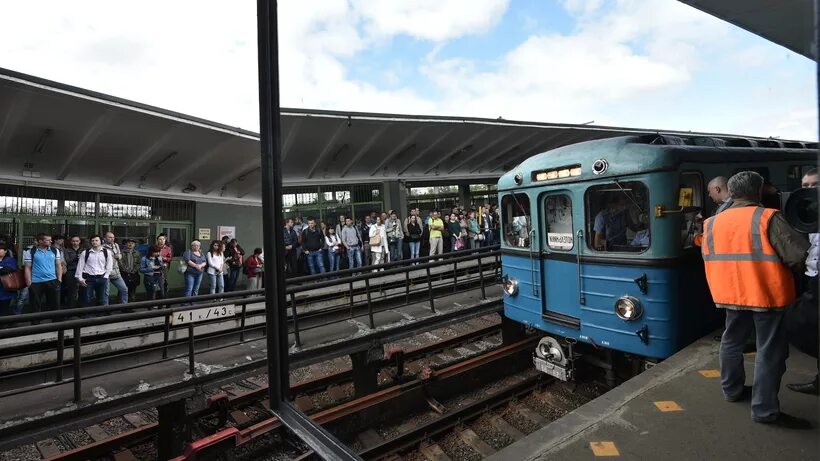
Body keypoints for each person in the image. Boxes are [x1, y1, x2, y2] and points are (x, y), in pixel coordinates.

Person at [702, 171, 809, 428]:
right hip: (766, 294)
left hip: (729, 294)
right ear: (758, 192)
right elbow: (797, 255)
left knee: (731, 342)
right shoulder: (767, 217)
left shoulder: (713, 222)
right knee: (769, 351)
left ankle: (732, 390)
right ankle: (764, 410)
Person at [787, 168, 819, 395]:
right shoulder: (808, 213)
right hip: (813, 278)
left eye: (815, 184)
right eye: (805, 186)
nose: (809, 190)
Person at [24, 233, 62, 314]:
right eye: (48, 240)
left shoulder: (55, 250)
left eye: (50, 240)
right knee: (35, 306)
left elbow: (58, 265)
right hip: (36, 282)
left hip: (52, 281)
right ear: (40, 241)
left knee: (55, 305)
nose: (50, 241)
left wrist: (59, 280)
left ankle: (56, 324)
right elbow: (27, 267)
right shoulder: (30, 252)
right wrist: (29, 283)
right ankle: (35, 324)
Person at [75, 235, 113, 307]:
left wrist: (105, 277)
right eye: (92, 241)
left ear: (101, 241)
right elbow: (80, 267)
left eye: (96, 240)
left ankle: (101, 315)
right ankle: (87, 316)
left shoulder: (107, 252)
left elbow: (109, 266)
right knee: (87, 299)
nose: (94, 242)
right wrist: (80, 278)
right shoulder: (85, 253)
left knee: (102, 299)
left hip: (102, 277)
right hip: (88, 278)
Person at [103, 232, 129, 304]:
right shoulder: (102, 247)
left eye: (113, 237)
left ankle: (124, 307)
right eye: (110, 237)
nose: (112, 239)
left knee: (124, 289)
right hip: (106, 273)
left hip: (116, 272)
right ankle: (105, 309)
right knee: (106, 292)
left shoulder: (116, 245)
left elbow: (119, 254)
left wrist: (119, 256)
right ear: (105, 238)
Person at [62, 235, 83, 308]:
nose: (75, 243)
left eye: (77, 241)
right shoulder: (67, 250)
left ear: (79, 241)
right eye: (73, 241)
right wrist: (76, 257)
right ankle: (71, 309)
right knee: (71, 291)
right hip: (71, 271)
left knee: (82, 291)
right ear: (71, 242)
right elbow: (67, 261)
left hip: (82, 272)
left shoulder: (83, 250)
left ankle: (81, 308)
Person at [0, 243, 19, 317]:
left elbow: (6, 270)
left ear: (5, 251)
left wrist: (2, 269)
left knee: (4, 310)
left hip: (6, 291)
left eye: (1, 249)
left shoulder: (10, 260)